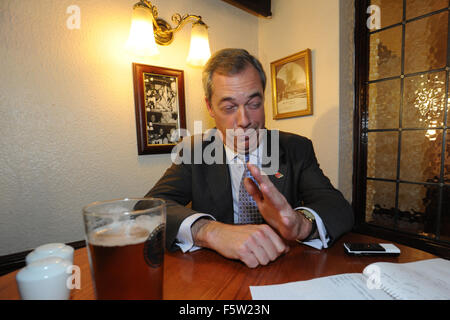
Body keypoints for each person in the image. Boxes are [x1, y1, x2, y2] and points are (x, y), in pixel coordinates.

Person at [145, 48, 353, 268]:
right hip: (217, 272)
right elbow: (149, 208)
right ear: (210, 108)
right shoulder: (194, 151)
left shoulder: (296, 148)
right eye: (229, 107)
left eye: (254, 104)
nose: (244, 120)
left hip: (284, 268)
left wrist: (302, 225)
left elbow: (338, 207)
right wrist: (210, 232)